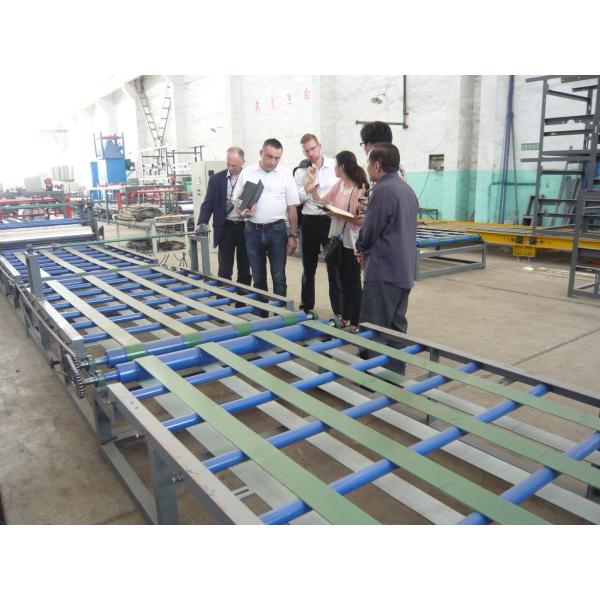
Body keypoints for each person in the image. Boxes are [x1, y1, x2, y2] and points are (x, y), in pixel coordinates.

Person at [355, 142, 418, 373]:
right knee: (395, 329)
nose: (367, 167)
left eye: (369, 162)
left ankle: (373, 378)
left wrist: (361, 246)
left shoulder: (383, 190)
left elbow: (371, 228)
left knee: (374, 329)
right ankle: (394, 376)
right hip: (403, 272)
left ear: (377, 165)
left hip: (384, 271)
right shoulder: (407, 189)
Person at [304, 151, 368, 329]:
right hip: (337, 237)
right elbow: (323, 203)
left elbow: (360, 219)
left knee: (353, 281)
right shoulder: (338, 185)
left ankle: (356, 321)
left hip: (352, 240)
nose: (334, 168)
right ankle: (345, 317)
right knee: (342, 280)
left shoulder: (359, 188)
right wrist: (313, 189)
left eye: (336, 165)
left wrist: (340, 214)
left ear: (342, 167)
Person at [232, 138, 299, 298]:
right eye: (269, 156)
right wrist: (242, 213)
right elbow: (237, 203)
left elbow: (292, 208)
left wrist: (293, 236)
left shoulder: (285, 174)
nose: (273, 162)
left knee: (279, 277)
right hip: (252, 231)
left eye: (277, 158)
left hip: (277, 230)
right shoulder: (247, 173)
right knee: (258, 278)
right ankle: (263, 313)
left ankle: (280, 312)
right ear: (261, 153)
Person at [293, 133, 342, 315]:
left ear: (319, 146)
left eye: (313, 149)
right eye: (306, 151)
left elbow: (342, 190)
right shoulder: (300, 172)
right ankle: (306, 308)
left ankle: (340, 311)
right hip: (310, 222)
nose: (311, 153)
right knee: (308, 268)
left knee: (334, 267)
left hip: (331, 221)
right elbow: (296, 199)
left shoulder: (334, 166)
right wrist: (308, 187)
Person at [196, 147, 251, 286]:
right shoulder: (216, 179)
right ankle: (223, 298)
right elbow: (208, 203)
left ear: (243, 162)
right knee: (224, 269)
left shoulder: (250, 178)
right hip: (225, 227)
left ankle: (243, 298)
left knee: (245, 269)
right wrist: (202, 222)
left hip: (245, 228)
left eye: (234, 165)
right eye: (228, 164)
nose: (230, 168)